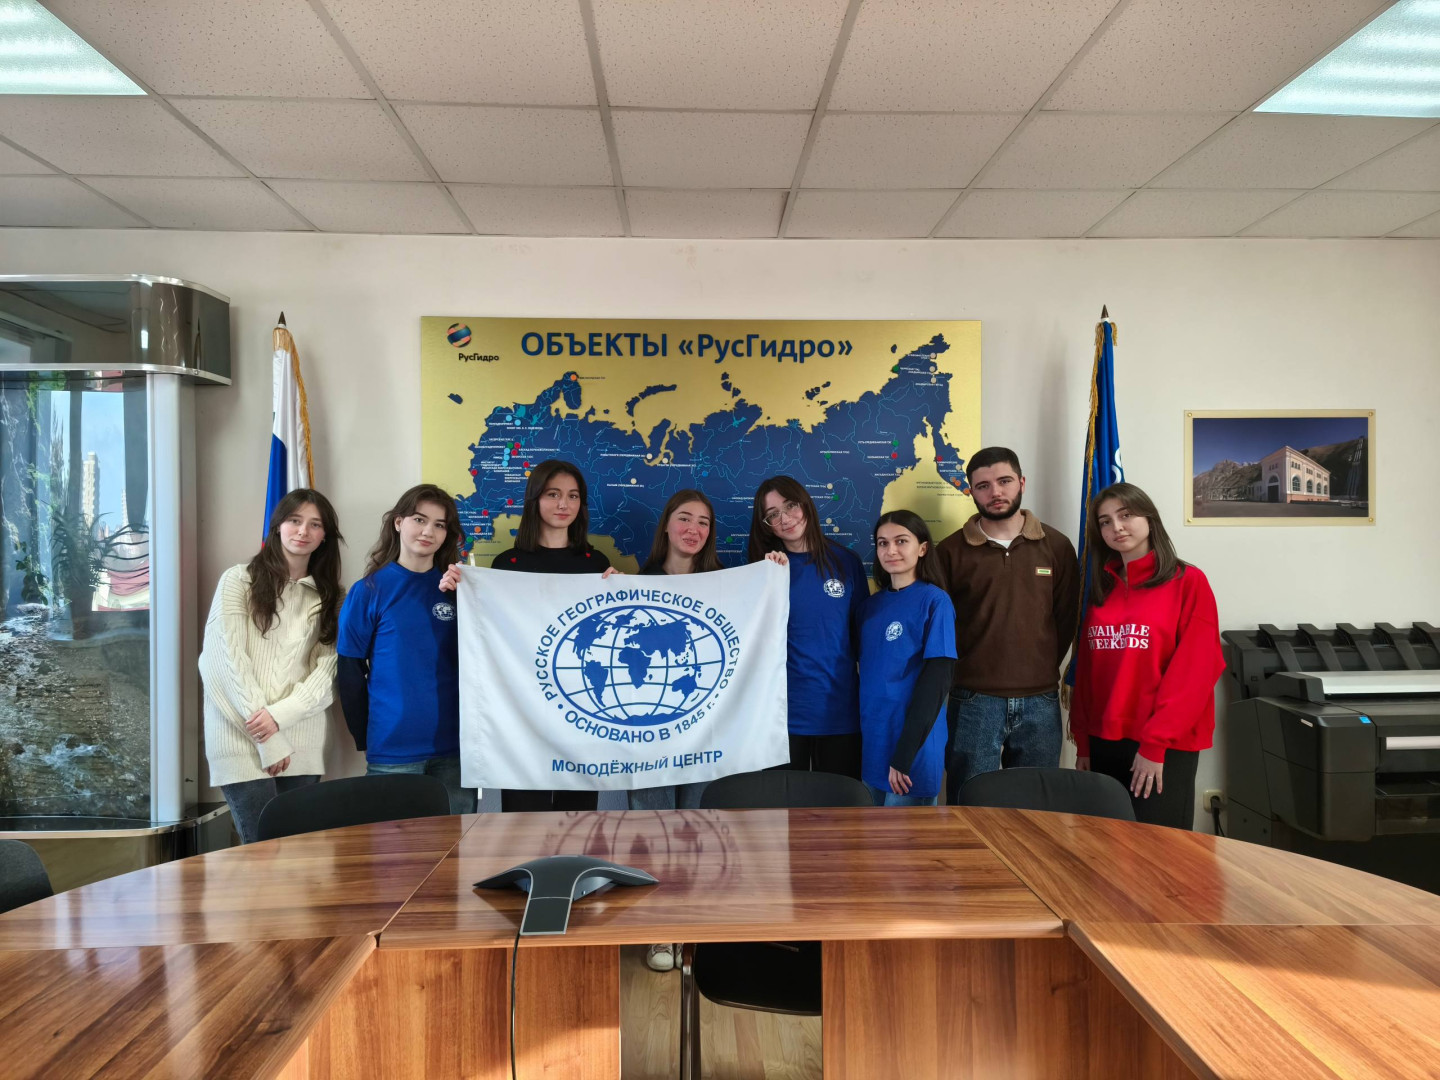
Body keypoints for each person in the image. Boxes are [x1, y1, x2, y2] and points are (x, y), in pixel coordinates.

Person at [603, 488, 723, 973]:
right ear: (667, 527)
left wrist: (773, 570)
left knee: (697, 832)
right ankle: (658, 930)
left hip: (705, 733)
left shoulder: (726, 585)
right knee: (651, 833)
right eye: (684, 519)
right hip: (649, 734)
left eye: (704, 522)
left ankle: (691, 928)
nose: (694, 529)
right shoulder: (635, 582)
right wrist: (604, 593)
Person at [1070, 483, 1225, 830]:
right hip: (1104, 740)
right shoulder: (1102, 589)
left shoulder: (1188, 582)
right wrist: (1083, 742)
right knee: (1107, 847)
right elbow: (1089, 672)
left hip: (1162, 744)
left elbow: (1196, 672)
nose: (1116, 527)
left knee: (1159, 852)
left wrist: (1155, 746)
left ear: (1150, 519)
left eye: (1126, 516)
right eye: (1105, 521)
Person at [933, 447, 1079, 804]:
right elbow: (943, 628)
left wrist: (1037, 667)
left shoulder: (1057, 546)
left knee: (1037, 806)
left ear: (1022, 483)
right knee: (971, 802)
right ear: (971, 491)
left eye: (1004, 481)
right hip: (973, 700)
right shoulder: (950, 552)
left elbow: (1065, 618)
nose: (995, 492)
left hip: (1040, 699)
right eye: (982, 486)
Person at [199, 489, 344, 844]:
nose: (303, 531)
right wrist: (268, 738)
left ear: (325, 536)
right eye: (295, 521)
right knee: (262, 851)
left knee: (300, 855)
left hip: (302, 741)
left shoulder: (331, 597)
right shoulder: (238, 580)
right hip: (240, 737)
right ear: (278, 525)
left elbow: (327, 672)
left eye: (315, 525)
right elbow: (223, 662)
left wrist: (281, 716)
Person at [336, 484, 476, 814]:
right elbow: (349, 671)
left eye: (440, 525)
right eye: (419, 519)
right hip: (393, 750)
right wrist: (364, 737)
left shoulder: (460, 590)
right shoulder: (368, 590)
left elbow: (488, 654)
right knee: (393, 860)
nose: (428, 531)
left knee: (457, 854)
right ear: (398, 523)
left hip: (457, 749)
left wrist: (466, 599)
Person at [483, 459, 610, 813]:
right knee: (523, 826)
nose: (563, 505)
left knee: (579, 822)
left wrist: (619, 590)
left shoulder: (596, 565)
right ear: (535, 499)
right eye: (553, 494)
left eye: (572, 496)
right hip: (523, 716)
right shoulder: (506, 566)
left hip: (582, 712)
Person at [747, 475, 868, 777]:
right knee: (782, 817)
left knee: (838, 815)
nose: (785, 519)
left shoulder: (846, 562)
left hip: (840, 712)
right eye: (773, 514)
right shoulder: (763, 571)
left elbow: (863, 638)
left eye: (790, 506)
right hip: (781, 717)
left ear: (806, 504)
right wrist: (768, 578)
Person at [857, 511, 956, 807]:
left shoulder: (935, 601)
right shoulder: (869, 608)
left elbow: (937, 682)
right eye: (882, 543)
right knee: (872, 847)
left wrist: (904, 755)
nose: (891, 550)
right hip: (874, 743)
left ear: (922, 548)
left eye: (901, 541)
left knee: (904, 851)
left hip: (912, 748)